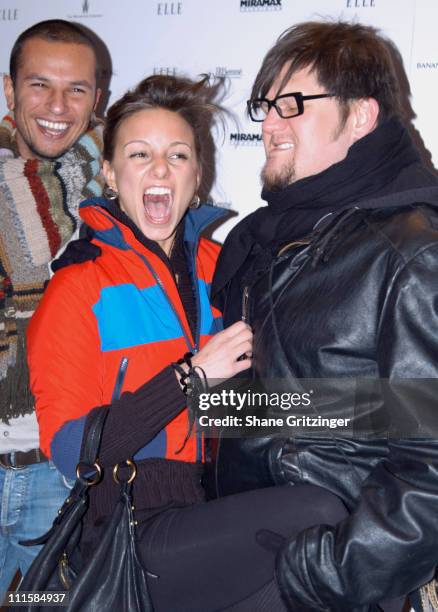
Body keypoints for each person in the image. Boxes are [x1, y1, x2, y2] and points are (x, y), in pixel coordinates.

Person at [26, 74, 349, 612]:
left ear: (197, 176)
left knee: (311, 581)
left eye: (178, 155)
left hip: (207, 512)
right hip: (125, 531)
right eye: (139, 154)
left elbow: (240, 412)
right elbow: (69, 451)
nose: (159, 169)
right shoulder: (77, 287)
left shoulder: (221, 272)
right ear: (110, 173)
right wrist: (189, 379)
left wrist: (391, 410)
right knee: (314, 512)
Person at [209, 21, 438, 612]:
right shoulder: (279, 241)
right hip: (255, 542)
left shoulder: (410, 251)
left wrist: (326, 574)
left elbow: (431, 465)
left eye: (294, 104)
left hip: (337, 576)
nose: (270, 124)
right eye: (266, 105)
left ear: (361, 117)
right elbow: (309, 404)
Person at [0, 19, 103, 597]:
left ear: (97, 99)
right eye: (39, 85)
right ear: (10, 91)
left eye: (77, 90)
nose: (58, 106)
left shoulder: (120, 193)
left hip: (60, 469)